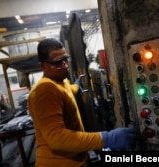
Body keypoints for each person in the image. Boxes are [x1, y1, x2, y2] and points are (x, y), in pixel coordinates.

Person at [27, 38, 139, 167]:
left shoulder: (59, 81)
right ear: (42, 66)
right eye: (58, 63)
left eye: (65, 59)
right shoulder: (45, 90)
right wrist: (106, 138)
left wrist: (76, 87)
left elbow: (67, 91)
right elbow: (56, 139)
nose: (65, 66)